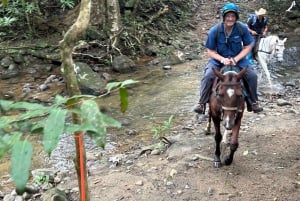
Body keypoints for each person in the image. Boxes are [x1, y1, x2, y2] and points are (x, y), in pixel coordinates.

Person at [194, 2, 263, 114]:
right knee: (208, 76)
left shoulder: (242, 28)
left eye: (233, 16)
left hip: (239, 60)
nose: (230, 19)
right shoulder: (214, 30)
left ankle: (253, 102)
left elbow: (248, 46)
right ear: (224, 17)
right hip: (218, 61)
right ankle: (201, 103)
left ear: (236, 17)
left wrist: (236, 59)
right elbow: (210, 51)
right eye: (228, 16)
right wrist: (222, 59)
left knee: (252, 76)